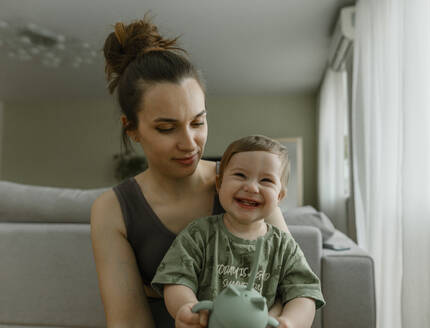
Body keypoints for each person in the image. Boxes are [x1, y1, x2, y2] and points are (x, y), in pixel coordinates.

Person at [90, 17, 290, 328]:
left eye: (198, 122)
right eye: (167, 128)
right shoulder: (112, 210)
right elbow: (127, 321)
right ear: (132, 131)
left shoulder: (245, 188)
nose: (190, 143)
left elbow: (289, 286)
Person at [151, 135, 325, 328]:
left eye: (266, 180)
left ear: (280, 196)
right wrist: (186, 307)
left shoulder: (284, 246)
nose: (251, 187)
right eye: (240, 175)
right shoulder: (198, 234)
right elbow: (176, 279)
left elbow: (304, 293)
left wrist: (290, 322)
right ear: (219, 184)